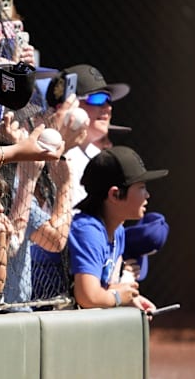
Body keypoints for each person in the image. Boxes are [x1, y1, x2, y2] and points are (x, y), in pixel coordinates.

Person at [69, 146, 166, 313]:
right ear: (115, 194)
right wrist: (119, 298)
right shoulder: (88, 230)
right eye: (141, 187)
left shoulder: (117, 229)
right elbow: (88, 297)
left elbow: (101, 289)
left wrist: (132, 299)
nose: (147, 195)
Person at [54, 64, 131, 207]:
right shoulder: (51, 153)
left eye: (109, 100)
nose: (108, 107)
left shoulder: (99, 156)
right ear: (68, 105)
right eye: (98, 98)